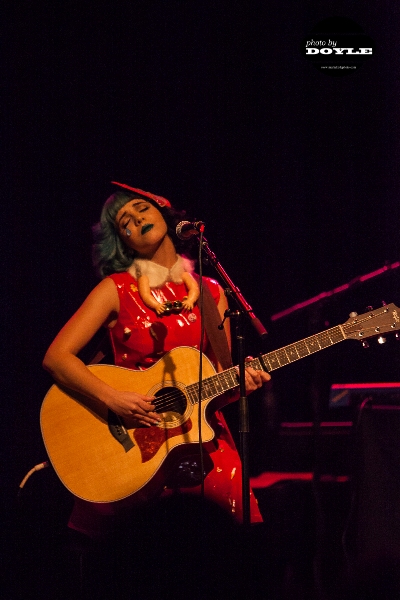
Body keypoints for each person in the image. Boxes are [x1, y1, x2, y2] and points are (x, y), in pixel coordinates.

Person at [42, 183, 270, 595]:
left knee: (234, 556)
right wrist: (116, 399)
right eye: (123, 223)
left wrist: (244, 380)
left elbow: (220, 380)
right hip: (134, 447)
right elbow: (57, 357)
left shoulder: (211, 293)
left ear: (165, 217)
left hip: (203, 443)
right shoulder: (116, 289)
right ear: (121, 240)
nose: (135, 220)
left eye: (141, 209)